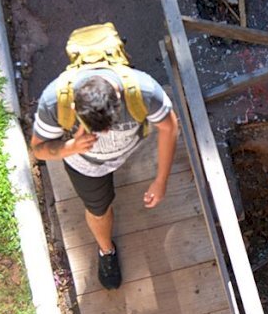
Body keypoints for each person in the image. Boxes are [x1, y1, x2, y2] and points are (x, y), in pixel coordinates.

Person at [30, 67, 178, 289]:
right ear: (74, 108)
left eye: (110, 124)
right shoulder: (54, 103)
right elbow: (39, 150)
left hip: (125, 152)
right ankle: (106, 250)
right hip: (86, 167)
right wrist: (70, 147)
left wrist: (161, 181)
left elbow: (169, 127)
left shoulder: (144, 91)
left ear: (119, 98)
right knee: (98, 210)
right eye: (94, 128)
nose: (105, 133)